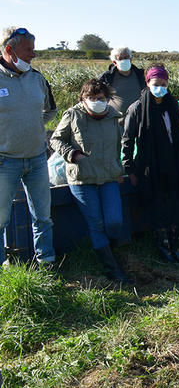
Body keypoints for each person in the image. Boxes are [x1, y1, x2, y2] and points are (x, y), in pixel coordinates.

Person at [50, 79, 131, 283]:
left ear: (107, 99)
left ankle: (114, 251)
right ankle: (112, 268)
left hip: (108, 176)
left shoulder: (113, 116)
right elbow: (55, 139)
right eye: (91, 98)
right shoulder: (73, 115)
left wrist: (119, 169)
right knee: (96, 223)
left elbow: (117, 147)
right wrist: (71, 154)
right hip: (82, 178)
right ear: (83, 98)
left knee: (114, 221)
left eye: (101, 98)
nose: (96, 101)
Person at [122, 63, 179, 263]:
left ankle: (176, 246)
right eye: (156, 83)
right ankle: (164, 249)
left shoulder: (172, 106)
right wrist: (129, 168)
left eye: (164, 83)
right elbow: (127, 140)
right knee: (158, 208)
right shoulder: (137, 108)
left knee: (177, 205)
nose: (160, 87)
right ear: (147, 83)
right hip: (150, 166)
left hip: (175, 163)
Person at [0, 27, 57, 267]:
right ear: (10, 50)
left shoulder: (37, 78)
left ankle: (47, 264)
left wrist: (31, 125)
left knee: (43, 216)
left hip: (36, 158)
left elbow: (50, 110)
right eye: (28, 50)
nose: (33, 55)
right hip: (5, 161)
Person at [98, 46, 146, 122]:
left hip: (139, 121)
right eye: (120, 58)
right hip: (116, 123)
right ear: (114, 62)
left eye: (126, 57)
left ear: (131, 59)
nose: (124, 60)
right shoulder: (107, 77)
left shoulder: (141, 74)